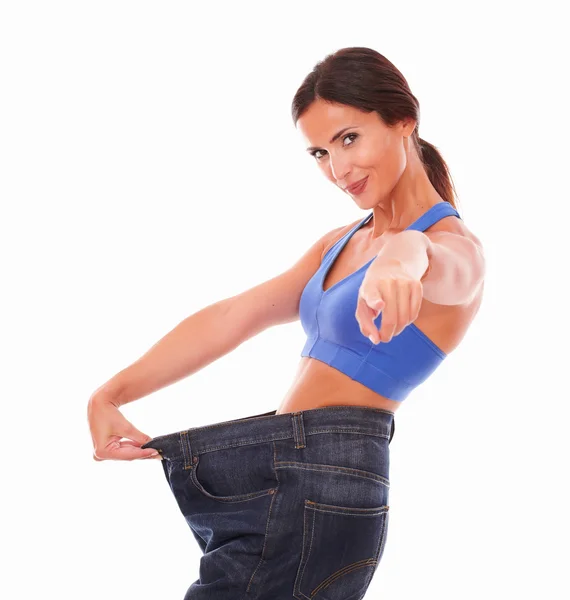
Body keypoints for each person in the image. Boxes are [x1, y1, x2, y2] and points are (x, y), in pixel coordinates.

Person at [88, 47, 485, 599]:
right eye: (320, 152)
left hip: (323, 481)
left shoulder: (453, 246)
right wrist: (109, 395)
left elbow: (444, 268)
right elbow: (233, 316)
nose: (338, 169)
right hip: (286, 474)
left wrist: (407, 253)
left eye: (350, 138)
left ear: (403, 121)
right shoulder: (340, 243)